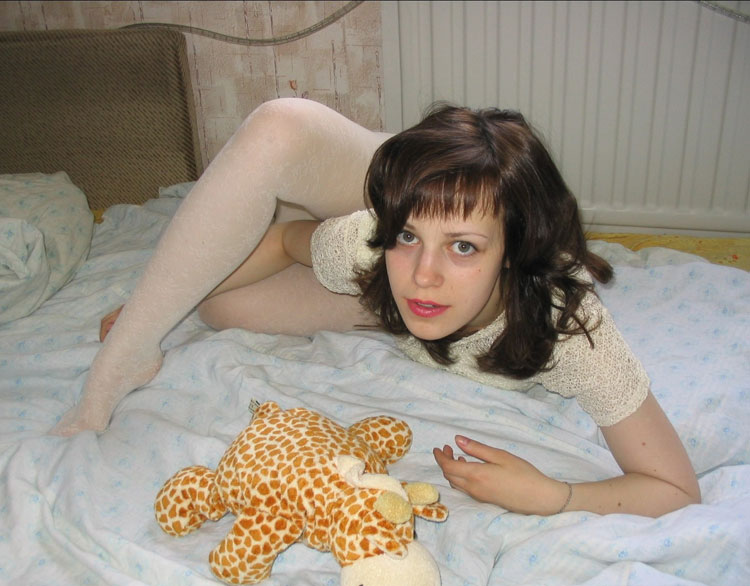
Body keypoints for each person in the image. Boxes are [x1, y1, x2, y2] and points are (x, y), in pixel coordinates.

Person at [54, 98, 700, 517]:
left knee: (225, 306)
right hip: (401, 192)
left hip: (449, 203)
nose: (424, 276)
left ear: (513, 254)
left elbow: (674, 487)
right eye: (408, 239)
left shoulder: (569, 332)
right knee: (215, 300)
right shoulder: (368, 242)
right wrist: (158, 305)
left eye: (465, 248)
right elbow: (283, 242)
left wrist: (556, 495)